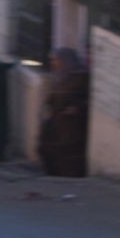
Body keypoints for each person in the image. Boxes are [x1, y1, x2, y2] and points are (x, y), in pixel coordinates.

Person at [38, 47, 90, 178]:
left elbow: (87, 98)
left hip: (71, 123)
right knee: (46, 146)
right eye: (52, 60)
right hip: (56, 120)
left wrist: (76, 107)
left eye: (56, 60)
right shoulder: (59, 76)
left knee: (68, 150)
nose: (53, 63)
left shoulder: (81, 77)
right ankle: (54, 173)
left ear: (65, 60)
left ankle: (70, 176)